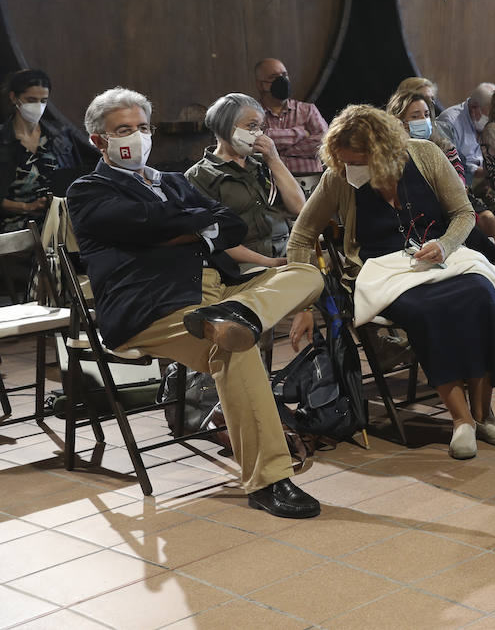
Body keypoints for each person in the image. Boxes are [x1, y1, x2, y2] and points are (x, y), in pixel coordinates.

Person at [66, 88, 324, 518]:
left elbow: (232, 226)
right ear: (99, 140)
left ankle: (241, 314)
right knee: (234, 349)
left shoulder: (173, 181)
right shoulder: (88, 190)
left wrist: (177, 228)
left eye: (144, 128)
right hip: (153, 306)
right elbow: (142, 222)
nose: (137, 136)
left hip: (217, 297)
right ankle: (270, 481)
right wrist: (192, 226)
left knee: (308, 274)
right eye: (124, 130)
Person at [288, 105, 495, 460]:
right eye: (345, 161)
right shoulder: (339, 177)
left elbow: (462, 213)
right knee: (428, 310)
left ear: (380, 154)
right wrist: (301, 303)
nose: (351, 169)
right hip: (384, 270)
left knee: (482, 294)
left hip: (443, 255)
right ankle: (462, 421)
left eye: (357, 161)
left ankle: (485, 414)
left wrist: (444, 245)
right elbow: (301, 237)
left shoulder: (425, 155)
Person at [386, 89, 495, 267]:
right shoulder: (390, 156)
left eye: (426, 115)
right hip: (420, 213)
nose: (423, 121)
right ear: (399, 122)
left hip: (453, 202)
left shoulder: (444, 146)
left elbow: (459, 184)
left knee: (486, 220)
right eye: (415, 116)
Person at [186, 93, 306, 263]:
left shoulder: (264, 164)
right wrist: (269, 263)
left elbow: (300, 208)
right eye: (251, 126)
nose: (258, 134)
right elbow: (213, 237)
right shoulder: (199, 177)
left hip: (288, 250)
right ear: (226, 127)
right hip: (248, 264)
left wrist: (275, 160)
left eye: (260, 127)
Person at [0, 69, 98, 231]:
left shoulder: (59, 135)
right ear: (14, 97)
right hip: (17, 226)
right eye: (31, 100)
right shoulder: (3, 140)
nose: (38, 106)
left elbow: (77, 174)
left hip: (63, 219)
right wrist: (28, 207)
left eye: (43, 100)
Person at [254, 58, 327, 182]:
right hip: (269, 183)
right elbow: (256, 140)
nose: (282, 80)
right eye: (274, 77)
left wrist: (280, 151)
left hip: (311, 182)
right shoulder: (252, 113)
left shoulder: (308, 110)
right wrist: (301, 133)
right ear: (261, 85)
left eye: (284, 75)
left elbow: (325, 141)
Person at [437, 82, 495, 174]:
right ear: (473, 108)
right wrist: (485, 173)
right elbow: (449, 165)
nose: (492, 120)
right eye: (489, 116)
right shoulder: (450, 121)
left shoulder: (485, 123)